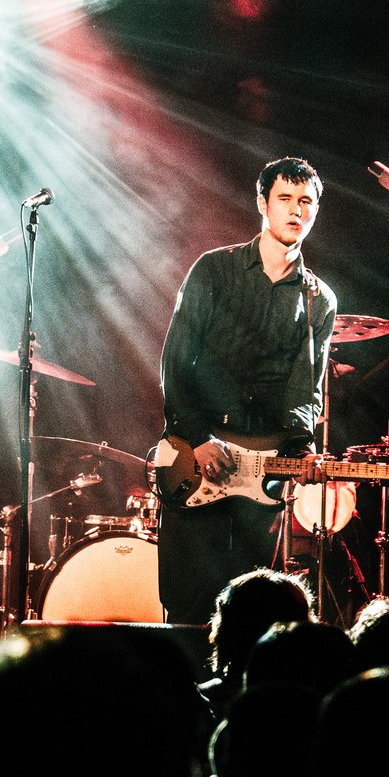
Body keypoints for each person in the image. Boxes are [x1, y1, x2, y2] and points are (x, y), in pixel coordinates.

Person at [154, 158, 339, 625]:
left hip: (265, 469)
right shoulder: (214, 270)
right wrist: (196, 437)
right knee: (189, 604)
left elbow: (307, 386)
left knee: (255, 610)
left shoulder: (320, 299)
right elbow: (176, 361)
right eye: (285, 199)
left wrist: (304, 450)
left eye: (306, 203)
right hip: (200, 456)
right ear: (262, 204)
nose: (296, 211)